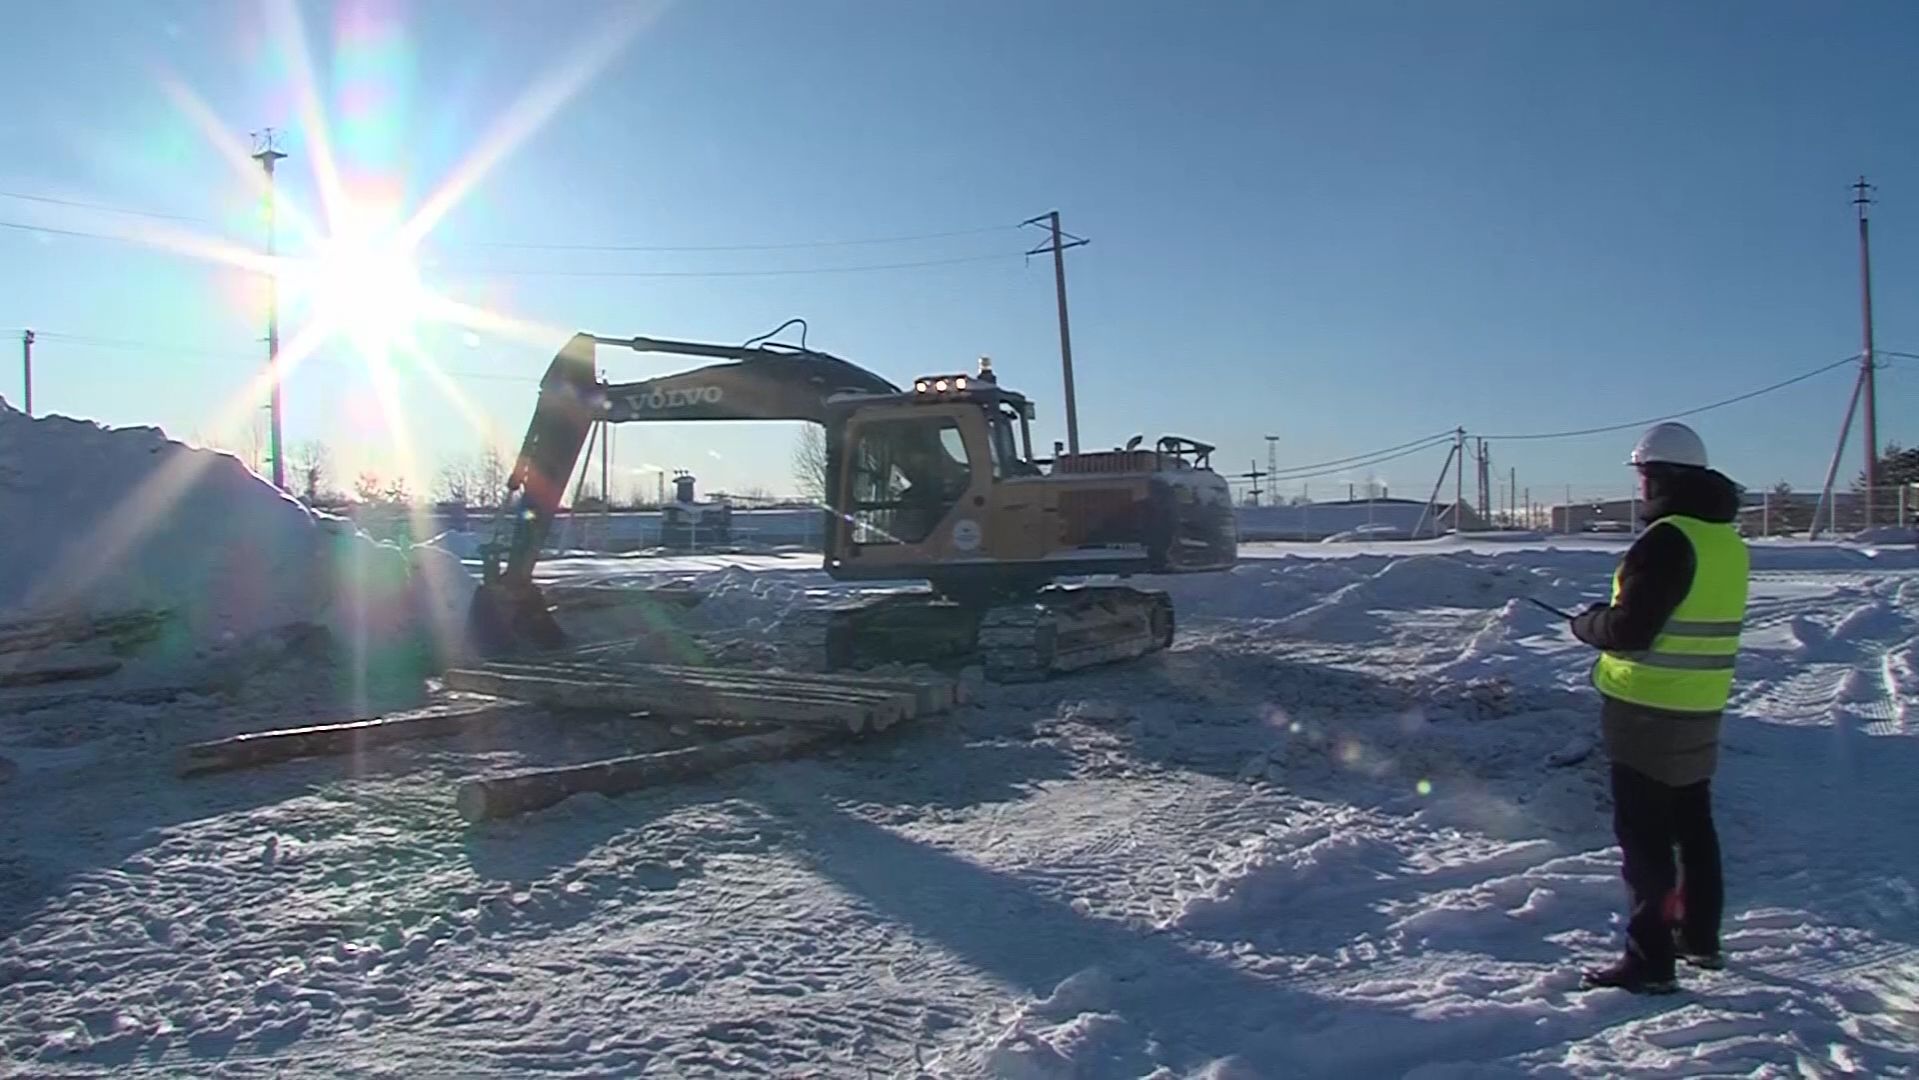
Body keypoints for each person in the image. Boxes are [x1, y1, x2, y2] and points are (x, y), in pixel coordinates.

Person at [1569, 421, 1750, 994]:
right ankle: (1698, 937)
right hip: (1701, 705)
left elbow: (1632, 629)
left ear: (1660, 477)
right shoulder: (1725, 540)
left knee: (1644, 839)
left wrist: (1586, 624)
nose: (1641, 487)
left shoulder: (1668, 539)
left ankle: (1649, 961)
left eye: (1643, 474)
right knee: (1693, 824)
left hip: (1647, 710)